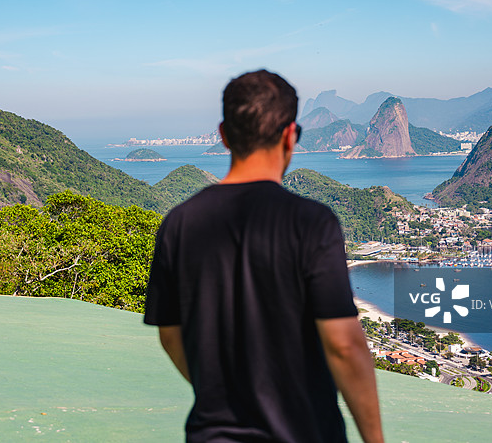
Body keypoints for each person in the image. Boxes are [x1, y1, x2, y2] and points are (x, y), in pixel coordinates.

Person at [144, 69, 384, 443]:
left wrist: (222, 394)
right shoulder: (312, 223)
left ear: (223, 135)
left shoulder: (179, 223)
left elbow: (170, 336)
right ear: (290, 136)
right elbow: (343, 344)